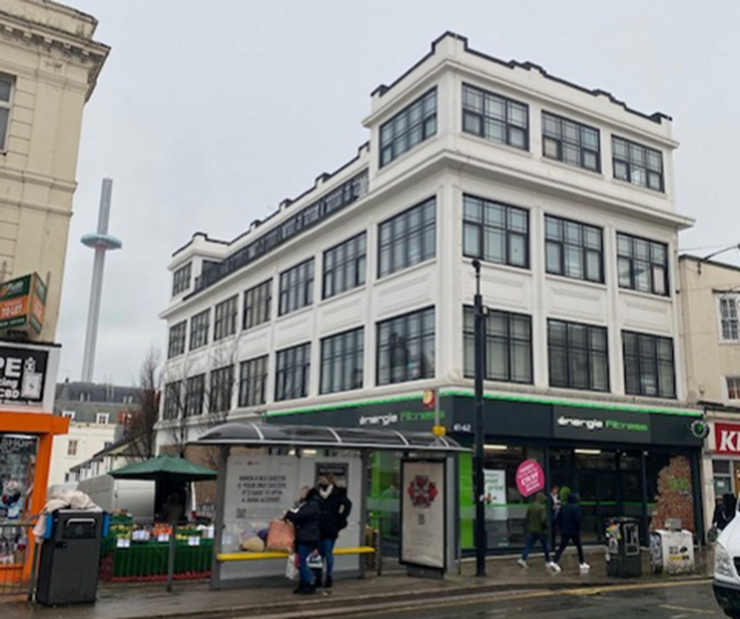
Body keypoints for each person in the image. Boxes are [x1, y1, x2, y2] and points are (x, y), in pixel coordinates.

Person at [314, 473, 353, 589]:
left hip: (331, 527)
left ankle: (329, 576)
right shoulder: (316, 492)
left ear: (329, 480)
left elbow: (348, 505)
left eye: (323, 478)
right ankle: (318, 576)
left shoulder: (338, 493)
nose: (321, 480)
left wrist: (340, 518)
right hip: (318, 527)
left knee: (327, 552)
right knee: (319, 554)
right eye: (320, 478)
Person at [284, 486, 321, 594]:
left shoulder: (312, 505)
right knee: (300, 561)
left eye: (303, 492)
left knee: (303, 562)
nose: (301, 494)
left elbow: (300, 516)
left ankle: (309, 583)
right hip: (304, 536)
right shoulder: (307, 504)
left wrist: (288, 514)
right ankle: (303, 583)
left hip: (307, 537)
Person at [517, 492, 560, 572]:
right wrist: (546, 526)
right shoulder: (541, 508)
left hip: (532, 529)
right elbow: (543, 519)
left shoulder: (531, 506)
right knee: (545, 546)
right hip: (540, 530)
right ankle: (548, 561)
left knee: (529, 545)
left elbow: (527, 517)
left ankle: (522, 558)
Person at [553, 493, 589, 572]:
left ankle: (554, 561)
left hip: (565, 530)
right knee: (579, 547)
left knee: (562, 546)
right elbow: (578, 519)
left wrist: (560, 527)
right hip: (574, 531)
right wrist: (579, 528)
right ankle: (582, 562)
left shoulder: (563, 507)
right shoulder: (576, 508)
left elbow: (558, 519)